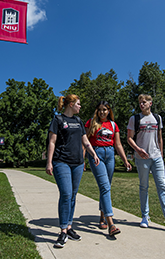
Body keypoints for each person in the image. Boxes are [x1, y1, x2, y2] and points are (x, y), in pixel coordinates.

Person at [127, 94, 165, 232]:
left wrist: (160, 154)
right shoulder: (135, 119)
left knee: (162, 186)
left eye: (144, 102)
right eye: (140, 102)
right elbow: (129, 138)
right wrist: (138, 150)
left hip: (156, 157)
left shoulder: (157, 118)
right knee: (144, 186)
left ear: (150, 103)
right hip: (141, 157)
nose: (141, 104)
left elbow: (159, 137)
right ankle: (145, 217)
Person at [46, 94, 101, 248]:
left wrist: (94, 154)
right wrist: (49, 162)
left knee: (73, 195)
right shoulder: (58, 120)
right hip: (61, 161)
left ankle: (69, 227)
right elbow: (52, 141)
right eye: (78, 103)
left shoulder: (78, 121)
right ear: (70, 104)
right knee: (66, 194)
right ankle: (62, 231)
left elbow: (85, 141)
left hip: (77, 163)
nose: (80, 106)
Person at [85, 101, 132, 236]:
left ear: (109, 111)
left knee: (106, 186)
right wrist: (82, 159)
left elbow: (118, 145)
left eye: (105, 110)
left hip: (110, 154)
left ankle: (102, 215)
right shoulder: (91, 123)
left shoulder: (113, 125)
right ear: (96, 111)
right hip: (96, 154)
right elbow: (85, 142)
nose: (102, 112)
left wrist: (125, 160)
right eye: (100, 110)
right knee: (105, 186)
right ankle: (111, 223)